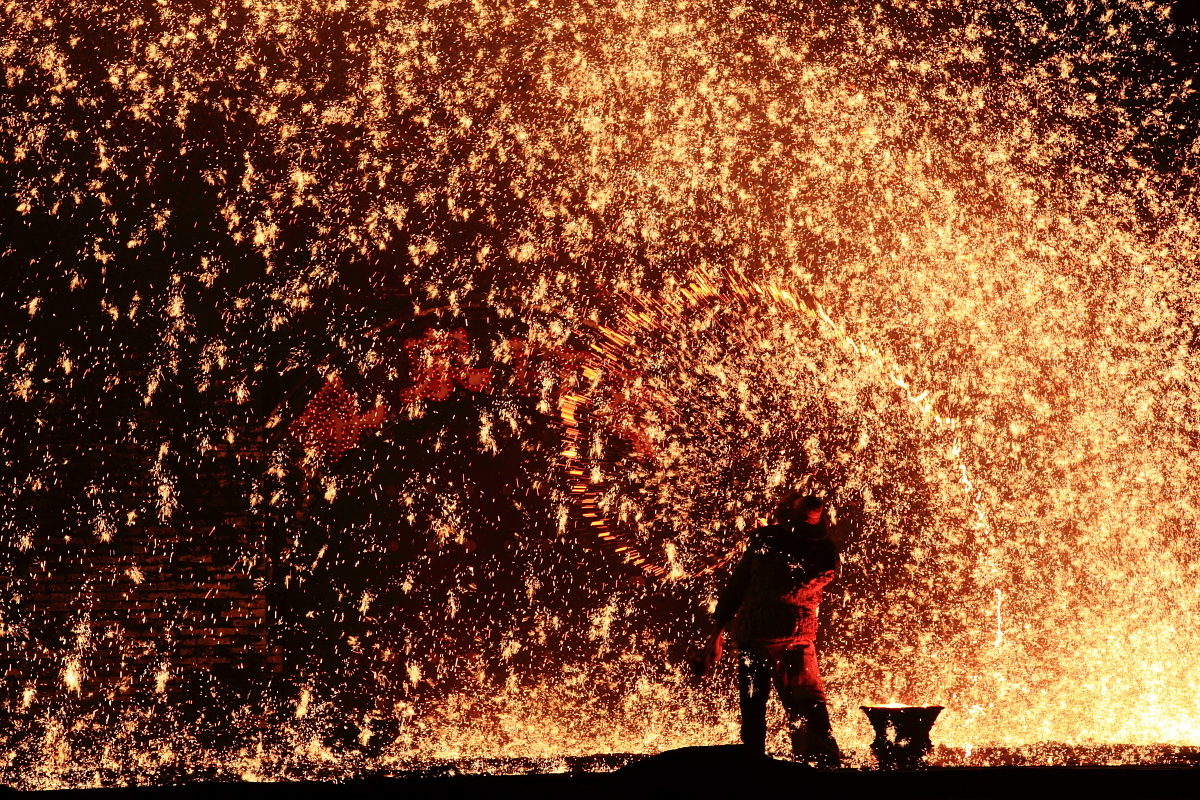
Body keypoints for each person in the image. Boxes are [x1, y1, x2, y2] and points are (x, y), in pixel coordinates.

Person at [693, 492, 842, 767]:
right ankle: (819, 762)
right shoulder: (823, 550)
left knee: (753, 700)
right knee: (805, 699)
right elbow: (815, 581)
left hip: (753, 632)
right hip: (793, 633)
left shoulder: (764, 539)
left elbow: (738, 584)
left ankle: (753, 762)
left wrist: (720, 626)